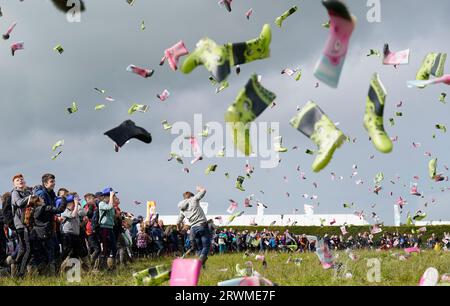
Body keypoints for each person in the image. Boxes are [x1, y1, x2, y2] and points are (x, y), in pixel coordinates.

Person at [176, 186, 210, 268]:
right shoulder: (193, 199)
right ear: (191, 196)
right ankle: (201, 261)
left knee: (200, 248)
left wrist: (178, 228)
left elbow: (178, 221)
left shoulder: (182, 209)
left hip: (194, 229)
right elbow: (204, 191)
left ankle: (202, 265)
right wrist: (199, 189)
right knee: (206, 246)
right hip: (202, 226)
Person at [11, 174, 34, 278]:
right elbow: (19, 203)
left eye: (21, 179)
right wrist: (29, 197)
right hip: (20, 225)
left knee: (23, 249)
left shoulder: (26, 192)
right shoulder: (15, 193)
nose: (20, 181)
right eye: (17, 180)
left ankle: (15, 269)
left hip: (27, 224)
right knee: (27, 249)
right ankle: (20, 273)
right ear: (14, 184)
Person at [60, 194, 88, 270]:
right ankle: (60, 268)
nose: (77, 204)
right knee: (66, 252)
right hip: (67, 235)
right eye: (74, 203)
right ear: (69, 203)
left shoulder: (76, 210)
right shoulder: (65, 211)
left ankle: (86, 268)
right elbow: (72, 215)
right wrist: (76, 205)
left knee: (81, 252)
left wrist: (77, 205)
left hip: (75, 235)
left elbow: (84, 213)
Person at [98, 188, 118, 269]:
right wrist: (111, 197)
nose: (114, 197)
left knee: (113, 247)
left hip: (110, 228)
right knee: (105, 248)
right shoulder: (101, 204)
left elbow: (112, 214)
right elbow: (109, 207)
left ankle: (111, 266)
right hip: (104, 228)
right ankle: (102, 266)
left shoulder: (110, 204)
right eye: (113, 195)